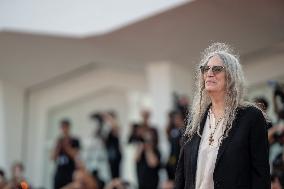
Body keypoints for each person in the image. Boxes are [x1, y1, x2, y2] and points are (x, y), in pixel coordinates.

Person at [174, 43, 270, 189]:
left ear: (231, 76)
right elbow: (181, 174)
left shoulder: (251, 117)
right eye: (206, 69)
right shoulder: (194, 121)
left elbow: (260, 175)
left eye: (217, 69)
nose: (209, 73)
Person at [51, 119, 81, 189]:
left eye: (65, 127)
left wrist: (66, 145)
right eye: (62, 127)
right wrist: (57, 147)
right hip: (59, 172)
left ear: (69, 127)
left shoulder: (75, 140)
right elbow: (52, 158)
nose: (63, 129)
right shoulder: (58, 141)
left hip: (70, 172)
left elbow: (75, 155)